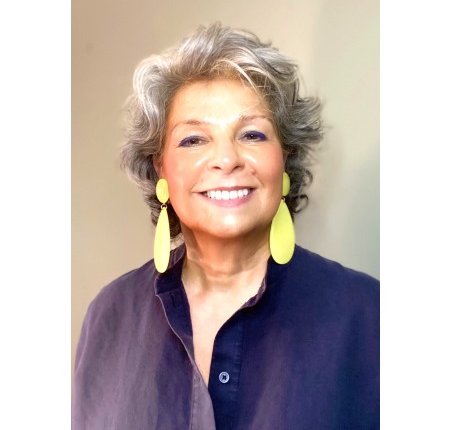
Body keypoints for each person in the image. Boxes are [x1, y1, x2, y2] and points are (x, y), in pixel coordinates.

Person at [73, 23, 379, 430]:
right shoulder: (109, 315)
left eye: (252, 134)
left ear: (283, 162)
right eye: (193, 140)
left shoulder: (370, 314)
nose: (227, 159)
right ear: (161, 168)